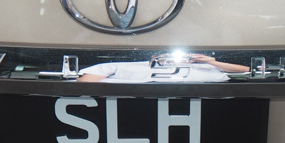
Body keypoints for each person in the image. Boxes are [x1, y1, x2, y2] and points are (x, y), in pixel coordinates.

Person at [77, 52, 250, 82]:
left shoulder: (206, 68)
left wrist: (210, 61)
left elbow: (246, 70)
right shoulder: (124, 66)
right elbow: (85, 84)